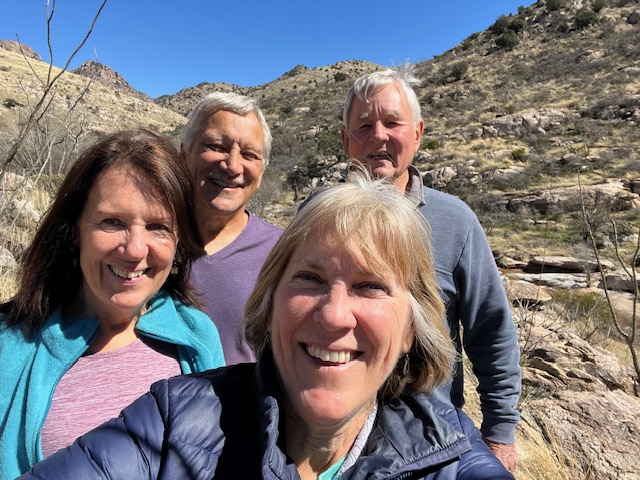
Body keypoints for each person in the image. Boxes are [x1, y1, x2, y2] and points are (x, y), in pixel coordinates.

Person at [18, 172, 514, 480]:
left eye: (370, 287)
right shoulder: (174, 422)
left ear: (410, 329)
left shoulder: (449, 453)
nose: (334, 314)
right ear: (271, 300)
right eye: (309, 278)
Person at [0, 128, 225, 479]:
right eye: (112, 222)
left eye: (157, 226)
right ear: (75, 229)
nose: (134, 249)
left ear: (179, 241)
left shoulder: (197, 337)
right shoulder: (11, 346)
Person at [339, 65, 521, 471]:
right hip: (330, 436)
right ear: (346, 139)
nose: (378, 136)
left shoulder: (455, 221)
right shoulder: (317, 217)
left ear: (418, 133)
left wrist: (500, 431)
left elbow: (491, 329)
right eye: (364, 125)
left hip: (432, 438)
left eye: (392, 123)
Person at [180, 91, 283, 364]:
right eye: (216, 146)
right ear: (183, 153)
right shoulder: (147, 241)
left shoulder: (284, 254)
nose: (233, 166)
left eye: (249, 155)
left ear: (261, 173)